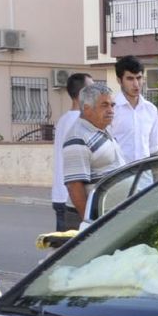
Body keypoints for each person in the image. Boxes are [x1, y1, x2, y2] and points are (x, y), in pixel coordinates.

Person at [60, 82, 123, 224]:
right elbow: (74, 186)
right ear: (87, 109)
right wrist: (88, 223)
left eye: (112, 105)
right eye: (104, 105)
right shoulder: (77, 137)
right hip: (90, 218)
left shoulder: (101, 129)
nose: (111, 110)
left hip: (105, 213)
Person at [51, 72, 90, 230]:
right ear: (82, 94)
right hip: (71, 198)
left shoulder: (64, 119)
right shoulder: (78, 122)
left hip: (62, 194)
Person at [109, 54, 158, 163]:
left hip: (145, 175)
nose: (136, 84)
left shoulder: (151, 110)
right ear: (119, 80)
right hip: (119, 174)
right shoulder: (111, 109)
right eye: (130, 79)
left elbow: (153, 148)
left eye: (139, 78)